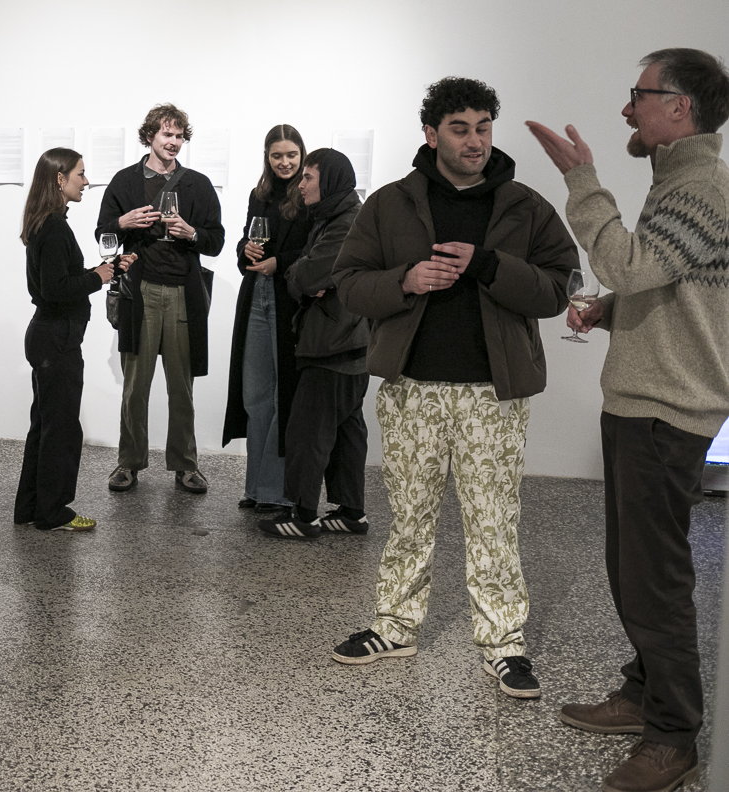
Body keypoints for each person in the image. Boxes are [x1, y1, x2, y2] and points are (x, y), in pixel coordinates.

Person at [328, 76, 577, 701]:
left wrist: (490, 265)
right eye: (460, 128)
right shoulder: (390, 204)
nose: (475, 141)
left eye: (483, 127)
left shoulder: (524, 205)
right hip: (412, 389)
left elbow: (559, 288)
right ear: (431, 133)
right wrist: (406, 280)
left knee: (493, 521)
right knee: (409, 516)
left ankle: (503, 643)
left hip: (493, 393)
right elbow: (349, 283)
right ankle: (395, 625)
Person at [528, 48, 729, 792]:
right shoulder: (679, 182)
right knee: (634, 570)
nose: (626, 108)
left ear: (678, 107)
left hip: (665, 412)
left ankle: (673, 737)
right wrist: (613, 312)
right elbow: (675, 288)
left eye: (638, 94)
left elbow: (628, 263)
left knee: (654, 581)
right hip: (645, 403)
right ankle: (644, 693)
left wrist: (582, 181)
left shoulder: (700, 187)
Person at [95, 104, 225, 494]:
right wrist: (122, 223)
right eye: (167, 134)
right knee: (136, 386)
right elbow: (103, 235)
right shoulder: (125, 181)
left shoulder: (198, 184)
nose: (174, 142)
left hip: (184, 292)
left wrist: (192, 233)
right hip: (141, 291)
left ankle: (186, 465)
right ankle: (129, 462)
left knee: (181, 387)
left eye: (180, 135)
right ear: (150, 135)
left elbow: (216, 241)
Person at [14, 148, 129, 532]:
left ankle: (30, 508)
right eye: (80, 174)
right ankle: (53, 513)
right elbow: (56, 289)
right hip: (56, 338)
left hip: (49, 336)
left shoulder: (47, 223)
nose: (86, 181)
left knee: (46, 426)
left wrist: (106, 269)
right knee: (61, 430)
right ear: (60, 179)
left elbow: (61, 278)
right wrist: (98, 277)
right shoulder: (53, 228)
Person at [259, 148, 370, 540]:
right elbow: (307, 274)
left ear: (330, 181)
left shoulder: (345, 224)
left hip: (333, 344)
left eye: (308, 176)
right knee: (347, 431)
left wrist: (302, 276)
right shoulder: (335, 218)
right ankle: (352, 513)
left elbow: (305, 277)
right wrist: (305, 275)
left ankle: (303, 516)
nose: (301, 184)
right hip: (346, 342)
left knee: (308, 431)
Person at [222, 125, 311, 513]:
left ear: (302, 155)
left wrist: (279, 261)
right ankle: (256, 488)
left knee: (281, 395)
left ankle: (276, 491)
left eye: (291, 155)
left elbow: (316, 252)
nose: (285, 162)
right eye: (277, 156)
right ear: (267, 158)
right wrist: (246, 249)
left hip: (288, 299)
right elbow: (245, 244)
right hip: (257, 295)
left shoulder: (308, 195)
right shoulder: (258, 194)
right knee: (255, 396)